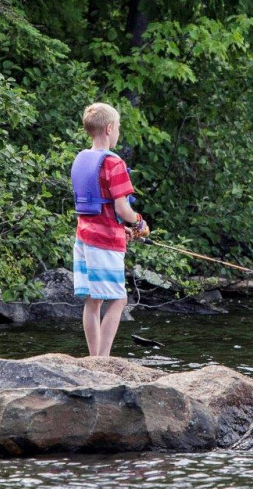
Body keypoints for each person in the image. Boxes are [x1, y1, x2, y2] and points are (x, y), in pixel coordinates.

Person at [70, 102, 150, 357]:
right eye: (118, 128)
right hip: (105, 242)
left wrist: (121, 229)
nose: (118, 133)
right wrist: (138, 222)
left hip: (83, 238)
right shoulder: (114, 164)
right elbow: (121, 208)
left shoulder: (82, 158)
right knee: (119, 300)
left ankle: (94, 358)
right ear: (109, 128)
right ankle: (103, 360)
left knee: (93, 301)